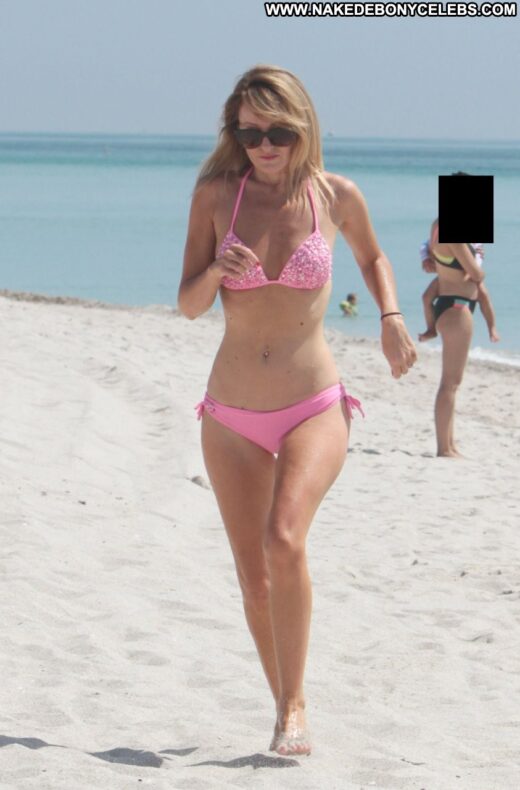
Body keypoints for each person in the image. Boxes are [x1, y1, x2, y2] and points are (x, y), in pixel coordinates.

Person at [177, 65, 416, 756]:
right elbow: (188, 304)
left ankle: (296, 704)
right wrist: (217, 271)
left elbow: (373, 259)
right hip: (231, 415)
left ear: (303, 127)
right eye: (249, 132)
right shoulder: (216, 196)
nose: (264, 146)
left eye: (278, 132)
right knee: (254, 579)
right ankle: (285, 704)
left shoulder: (335, 195)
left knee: (284, 539)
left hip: (314, 403)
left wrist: (391, 316)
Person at [419, 217, 487, 457]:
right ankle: (444, 447)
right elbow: (477, 274)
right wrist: (479, 262)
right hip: (458, 309)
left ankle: (449, 444)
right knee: (450, 384)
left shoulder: (436, 227)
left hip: (446, 303)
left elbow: (431, 254)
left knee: (450, 384)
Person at [418, 238, 500, 343]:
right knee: (426, 297)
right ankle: (431, 329)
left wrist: (474, 269)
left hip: (470, 273)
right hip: (448, 274)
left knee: (484, 296)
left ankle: (492, 329)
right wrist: (425, 258)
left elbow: (479, 254)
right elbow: (425, 244)